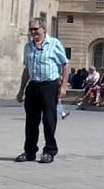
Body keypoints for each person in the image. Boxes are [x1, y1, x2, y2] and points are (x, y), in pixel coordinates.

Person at [15, 18, 69, 164]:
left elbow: (65, 65)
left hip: (49, 86)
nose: (33, 32)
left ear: (43, 29)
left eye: (36, 29)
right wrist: (21, 90)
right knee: (31, 121)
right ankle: (29, 151)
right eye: (31, 29)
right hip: (33, 85)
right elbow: (26, 69)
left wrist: (63, 86)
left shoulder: (54, 44)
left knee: (49, 120)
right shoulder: (28, 47)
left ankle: (49, 151)